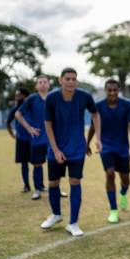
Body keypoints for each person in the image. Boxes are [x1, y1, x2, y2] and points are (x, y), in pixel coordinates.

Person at [40, 68, 101, 237]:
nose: (71, 82)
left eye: (74, 79)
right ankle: (56, 214)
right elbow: (48, 124)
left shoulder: (84, 96)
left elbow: (95, 114)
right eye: (68, 78)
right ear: (61, 80)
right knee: (53, 183)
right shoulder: (52, 98)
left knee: (75, 182)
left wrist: (99, 139)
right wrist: (56, 150)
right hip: (56, 149)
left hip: (76, 149)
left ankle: (73, 223)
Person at [87, 79, 130, 223]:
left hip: (122, 148)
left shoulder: (127, 105)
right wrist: (87, 143)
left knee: (126, 181)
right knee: (109, 174)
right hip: (106, 147)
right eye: (109, 90)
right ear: (105, 90)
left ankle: (123, 194)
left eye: (114, 90)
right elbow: (93, 126)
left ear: (118, 90)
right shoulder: (98, 107)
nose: (112, 93)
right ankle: (114, 210)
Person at [16, 76, 53, 200]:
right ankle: (37, 190)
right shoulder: (32, 99)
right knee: (37, 164)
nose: (42, 84)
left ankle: (55, 189)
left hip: (53, 138)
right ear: (36, 86)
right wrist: (29, 128)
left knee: (54, 164)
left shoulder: (54, 98)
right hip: (37, 138)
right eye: (40, 82)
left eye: (45, 82)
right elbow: (18, 114)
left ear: (49, 85)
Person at [6, 88, 32, 193]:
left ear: (25, 96)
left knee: (37, 163)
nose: (17, 98)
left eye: (19, 95)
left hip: (33, 139)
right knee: (24, 163)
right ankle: (26, 185)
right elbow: (8, 123)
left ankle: (40, 185)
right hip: (21, 140)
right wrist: (12, 134)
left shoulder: (31, 108)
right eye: (16, 96)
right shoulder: (15, 109)